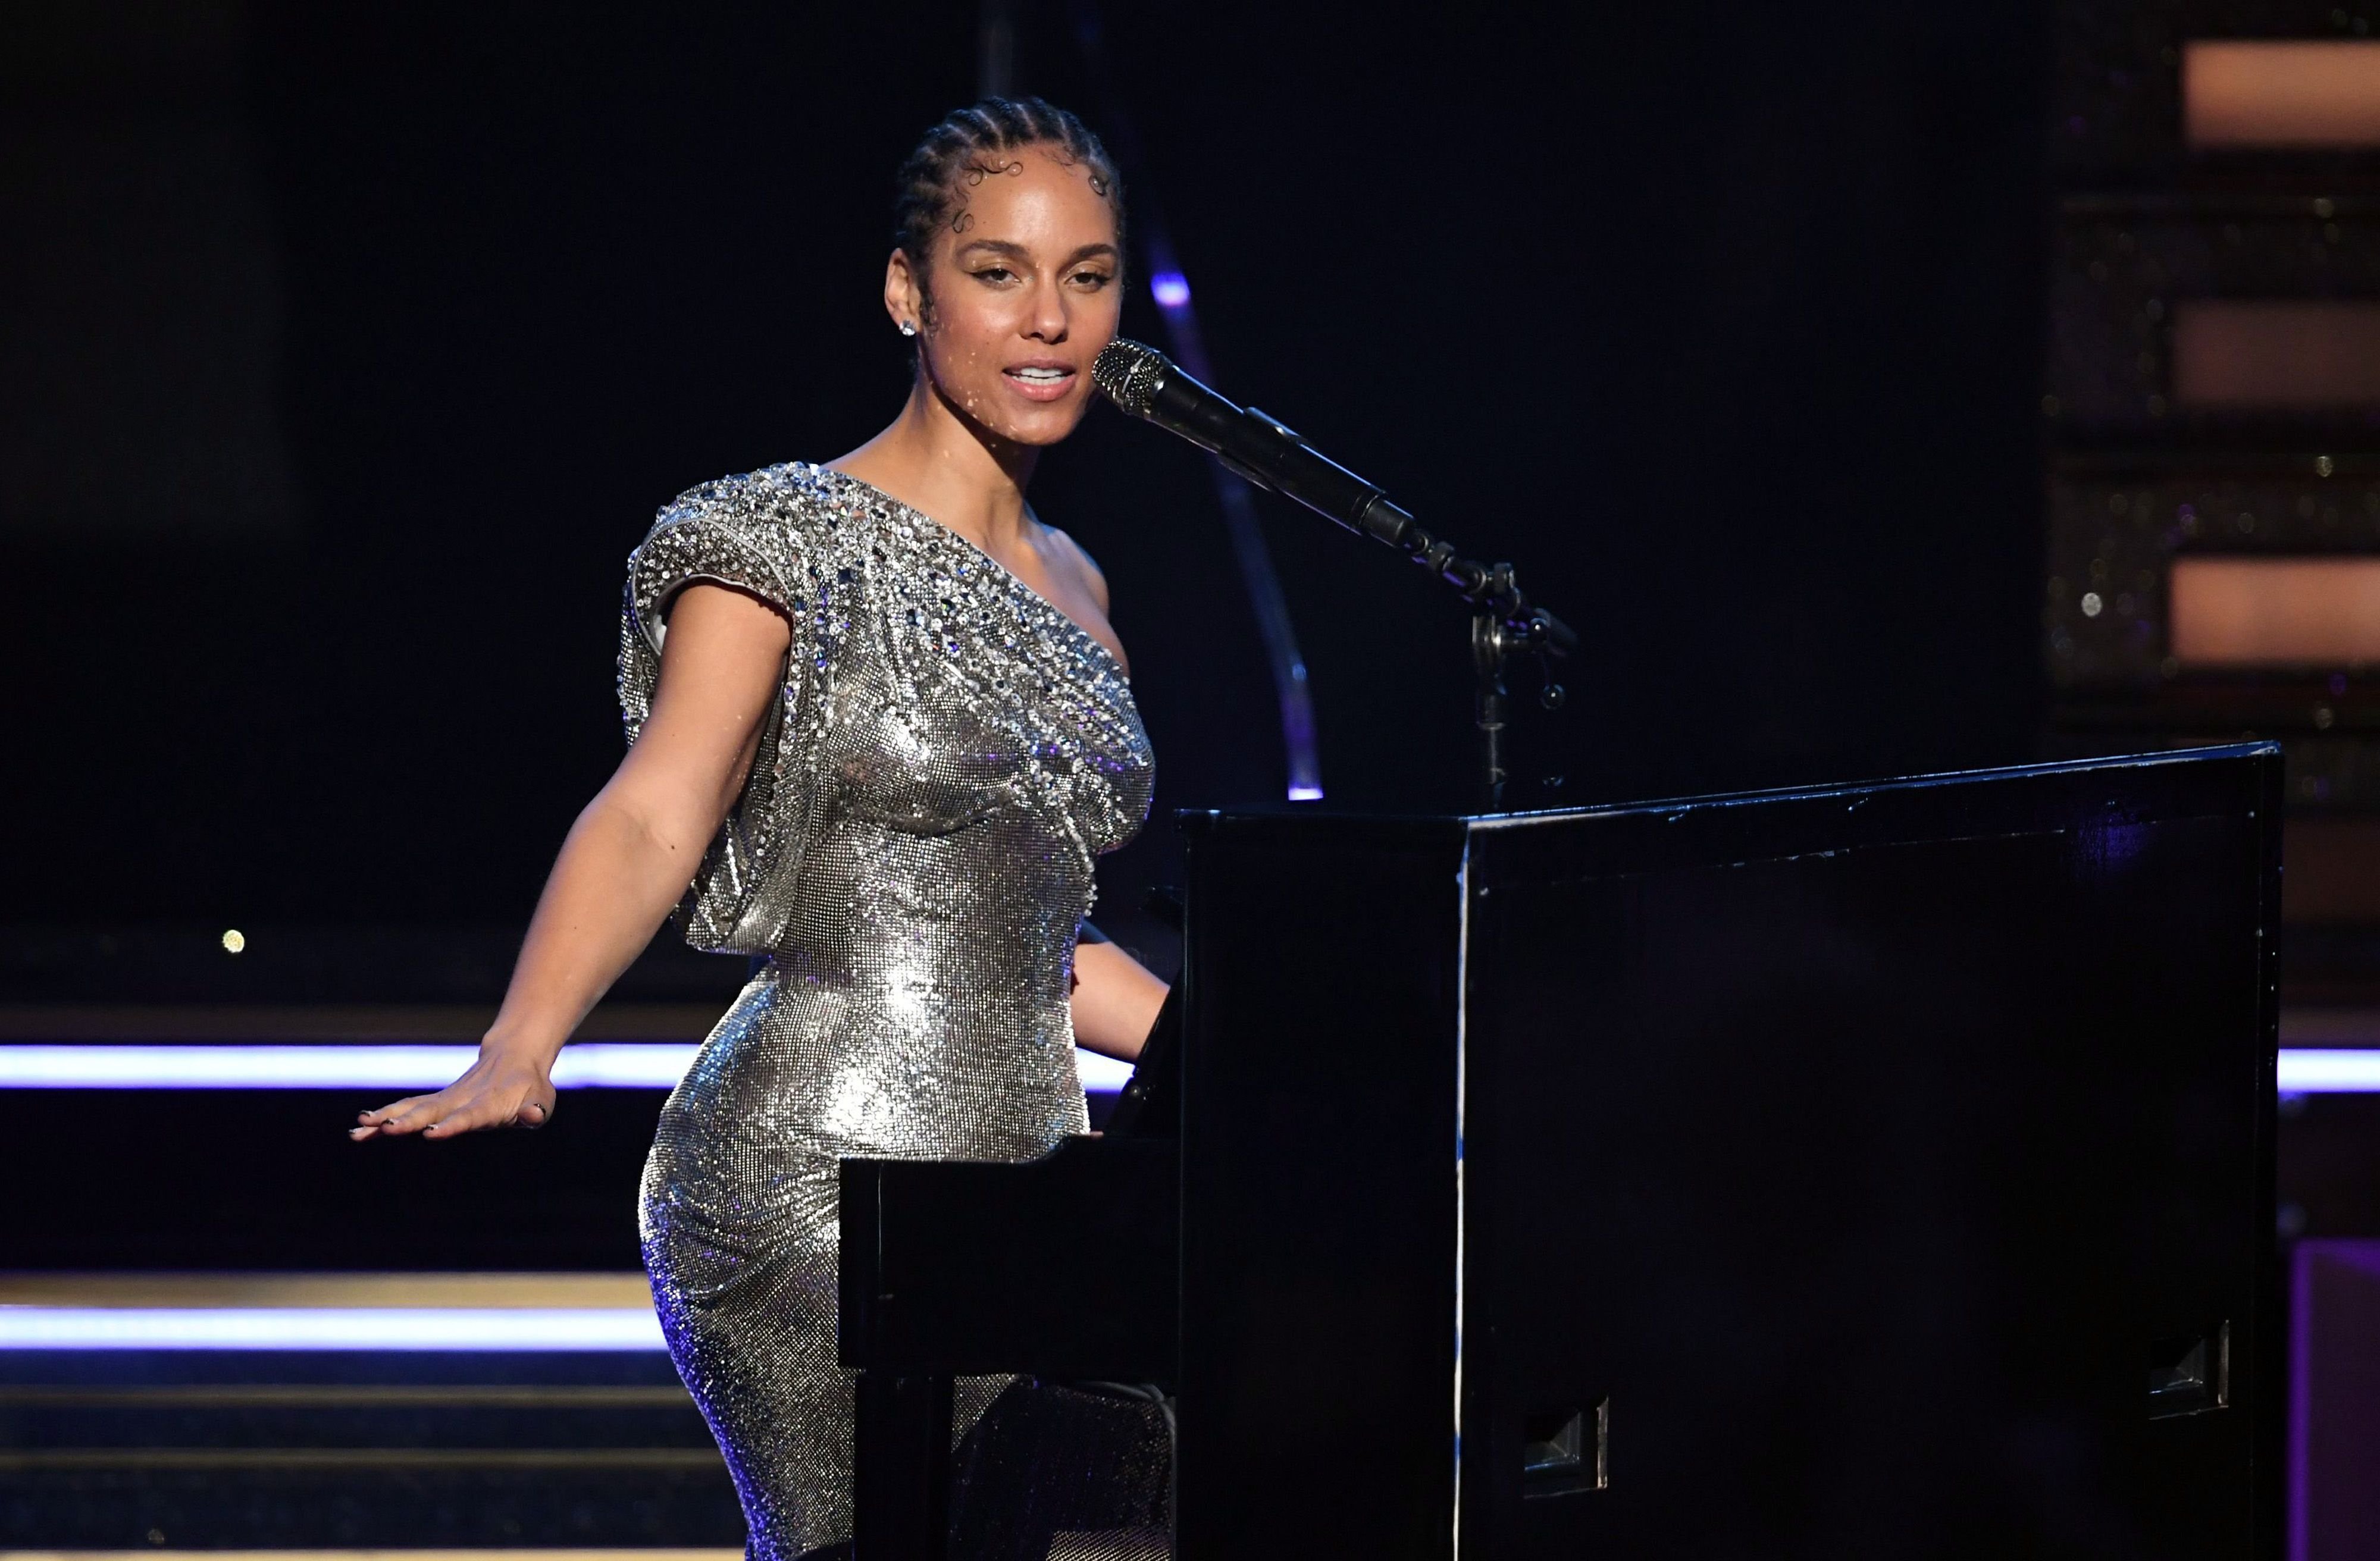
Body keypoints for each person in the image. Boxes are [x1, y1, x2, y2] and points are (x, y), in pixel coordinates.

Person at [353, 97, 1173, 1560]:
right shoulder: (773, 540)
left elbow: (1027, 938)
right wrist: (522, 1043)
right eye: (998, 272)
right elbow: (657, 807)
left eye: (1088, 275)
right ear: (908, 292)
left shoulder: (1081, 591)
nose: (1049, 319)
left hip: (1032, 1195)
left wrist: (1253, 1056)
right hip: (813, 1190)